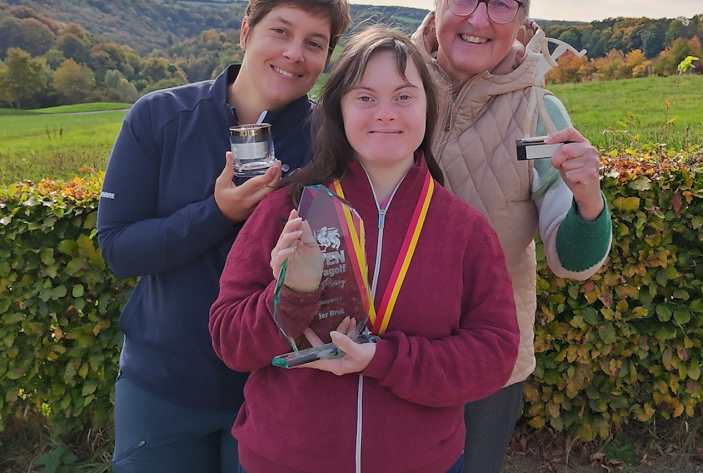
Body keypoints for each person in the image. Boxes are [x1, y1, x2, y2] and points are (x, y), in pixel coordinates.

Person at [209, 27, 520, 473]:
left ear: (429, 107)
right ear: (338, 108)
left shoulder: (466, 231)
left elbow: (494, 356)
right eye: (365, 97)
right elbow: (228, 341)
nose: (386, 114)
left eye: (404, 96)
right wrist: (292, 295)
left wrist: (386, 359)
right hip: (284, 461)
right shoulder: (288, 208)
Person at [96, 0, 350, 473]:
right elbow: (119, 249)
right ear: (245, 31)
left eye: (314, 42)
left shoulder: (333, 139)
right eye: (280, 31)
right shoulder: (158, 117)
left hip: (280, 386)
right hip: (165, 384)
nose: (295, 53)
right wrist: (217, 214)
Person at [413, 0, 613, 472]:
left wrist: (588, 200)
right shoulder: (390, 86)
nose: (479, 17)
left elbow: (570, 259)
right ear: (436, 1)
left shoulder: (539, 112)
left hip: (487, 357)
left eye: (501, 2)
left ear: (522, 20)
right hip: (388, 344)